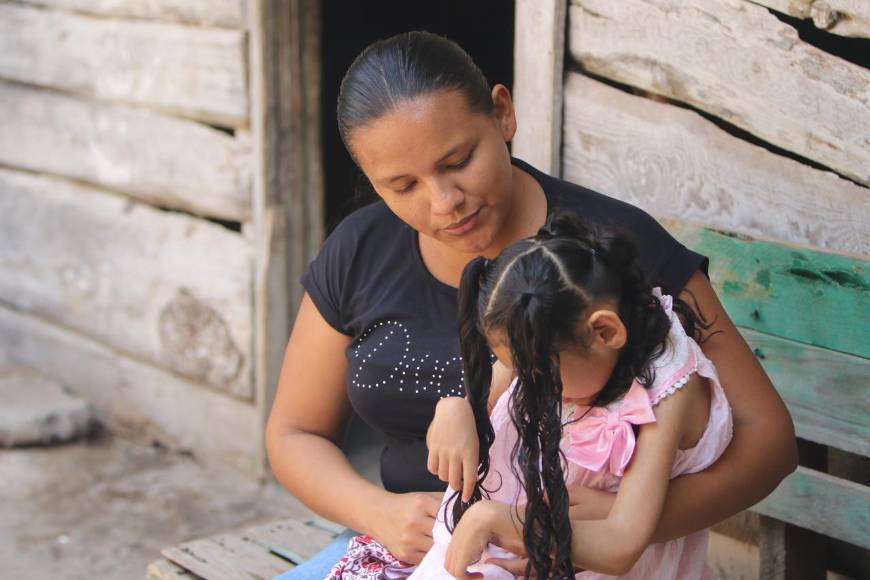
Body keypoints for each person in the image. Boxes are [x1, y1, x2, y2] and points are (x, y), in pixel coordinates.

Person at [266, 31, 796, 579]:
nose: (444, 202)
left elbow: (770, 443)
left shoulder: (611, 255)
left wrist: (610, 523)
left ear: (503, 114)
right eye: (403, 186)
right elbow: (294, 433)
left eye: (458, 160)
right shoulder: (360, 248)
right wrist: (377, 511)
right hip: (403, 549)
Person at [409, 211, 730, 579]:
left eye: (541, 374)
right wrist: (457, 408)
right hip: (534, 537)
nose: (526, 385)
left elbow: (621, 545)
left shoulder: (668, 393)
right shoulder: (556, 328)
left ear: (606, 332)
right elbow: (492, 386)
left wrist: (499, 519)